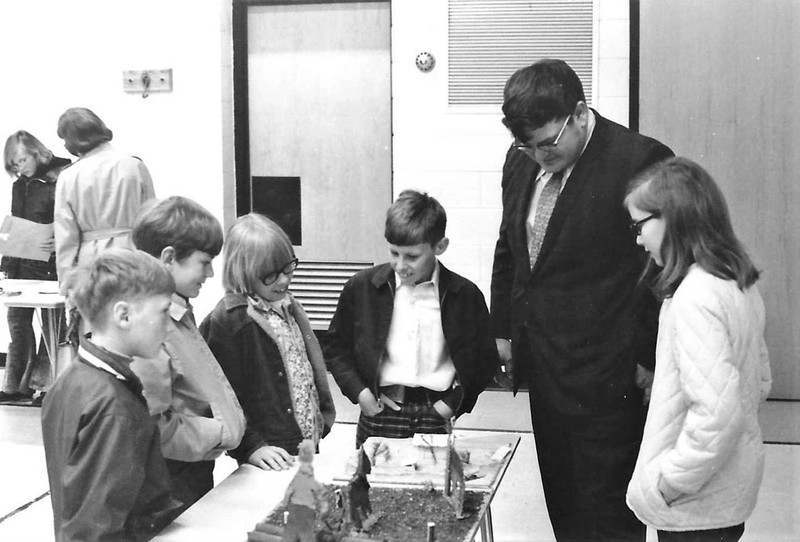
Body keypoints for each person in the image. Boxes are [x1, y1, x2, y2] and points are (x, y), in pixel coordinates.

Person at [491, 59, 673, 542]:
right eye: (525, 145)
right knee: (564, 500)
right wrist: (504, 330)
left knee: (608, 510)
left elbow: (663, 266)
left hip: (608, 372)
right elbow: (510, 247)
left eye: (548, 143)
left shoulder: (639, 160)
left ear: (578, 112)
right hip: (545, 364)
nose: (537, 155)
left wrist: (649, 355)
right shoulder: (521, 159)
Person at [624, 157, 771, 542]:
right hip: (726, 491)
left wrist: (670, 483)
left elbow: (716, 417)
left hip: (695, 505)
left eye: (640, 225)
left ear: (673, 219)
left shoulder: (695, 297)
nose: (637, 239)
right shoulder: (736, 283)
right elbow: (760, 381)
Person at [324, 189, 499, 448]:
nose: (401, 265)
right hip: (381, 410)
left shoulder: (464, 295)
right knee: (372, 486)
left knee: (434, 488)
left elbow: (485, 361)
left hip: (435, 412)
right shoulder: (362, 288)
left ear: (440, 246)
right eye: (394, 253)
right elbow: (335, 347)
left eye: (412, 257)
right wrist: (360, 393)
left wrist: (451, 405)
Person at [42, 249, 182, 542]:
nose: (169, 327)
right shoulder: (113, 406)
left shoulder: (69, 380)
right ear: (124, 315)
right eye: (164, 312)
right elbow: (94, 530)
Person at [129, 196, 246, 508]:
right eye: (204, 262)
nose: (209, 274)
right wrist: (218, 432)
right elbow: (152, 426)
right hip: (171, 480)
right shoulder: (151, 330)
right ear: (169, 258)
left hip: (191, 470)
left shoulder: (178, 312)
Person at [199, 213, 336, 470]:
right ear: (243, 272)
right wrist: (250, 447)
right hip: (271, 451)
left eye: (287, 268)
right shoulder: (229, 321)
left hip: (302, 439)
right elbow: (219, 398)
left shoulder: (285, 305)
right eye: (270, 275)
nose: (284, 280)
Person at [0, 131, 70, 405]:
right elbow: (18, 223)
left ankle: (47, 385)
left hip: (50, 263)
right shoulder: (21, 185)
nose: (21, 168)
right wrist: (7, 260)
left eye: (23, 160)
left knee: (52, 327)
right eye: (15, 165)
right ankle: (15, 385)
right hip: (21, 262)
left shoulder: (60, 177)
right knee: (17, 323)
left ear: (35, 151)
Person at [53, 107, 156, 282]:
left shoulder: (69, 176)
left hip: (91, 262)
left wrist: (66, 281)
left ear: (71, 141)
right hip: (134, 255)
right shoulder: (134, 166)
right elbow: (152, 220)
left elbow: (66, 237)